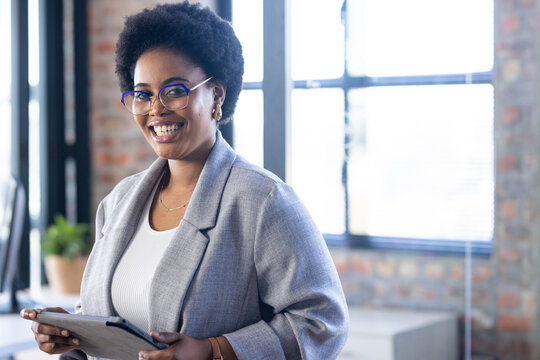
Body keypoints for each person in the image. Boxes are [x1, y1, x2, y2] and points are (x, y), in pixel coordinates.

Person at [21, 2, 349, 359]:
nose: (156, 109)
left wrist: (213, 351)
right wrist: (73, 332)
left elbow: (322, 321)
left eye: (175, 90)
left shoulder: (262, 199)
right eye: (142, 94)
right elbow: (119, 320)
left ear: (217, 94)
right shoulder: (119, 202)